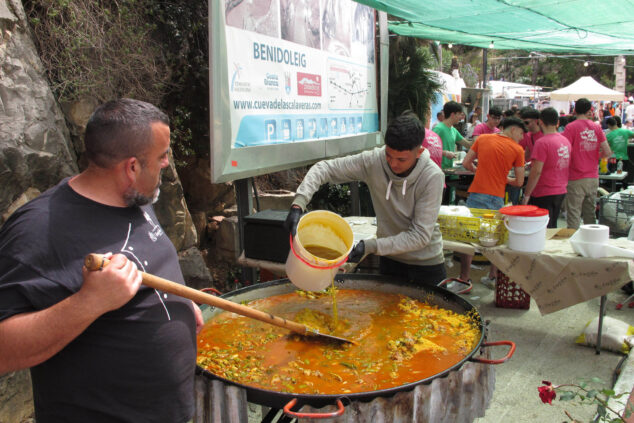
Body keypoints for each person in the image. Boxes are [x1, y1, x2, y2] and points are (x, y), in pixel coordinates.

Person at [0, 99, 202, 422]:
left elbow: (149, 265)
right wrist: (89, 302)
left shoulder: (137, 199)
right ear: (132, 168)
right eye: (162, 156)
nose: (167, 164)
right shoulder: (38, 229)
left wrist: (179, 302)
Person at [284, 114, 446, 286]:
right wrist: (298, 204)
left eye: (401, 159)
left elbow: (420, 236)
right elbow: (324, 169)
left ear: (419, 152)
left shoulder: (432, 176)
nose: (393, 164)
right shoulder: (374, 161)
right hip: (390, 261)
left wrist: (371, 246)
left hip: (426, 266)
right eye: (389, 155)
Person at [461, 117, 526, 288]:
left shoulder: (482, 139)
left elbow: (466, 163)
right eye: (520, 134)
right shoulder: (518, 149)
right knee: (495, 238)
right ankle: (492, 277)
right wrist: (504, 179)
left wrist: (479, 172)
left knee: (469, 236)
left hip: (477, 193)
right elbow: (519, 182)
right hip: (497, 196)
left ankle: (463, 279)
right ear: (513, 130)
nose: (521, 138)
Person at [562, 98, 612, 229]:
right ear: (589, 110)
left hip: (575, 177)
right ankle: (592, 241)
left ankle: (572, 245)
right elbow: (607, 151)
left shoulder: (571, 127)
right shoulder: (596, 127)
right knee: (590, 212)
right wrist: (595, 155)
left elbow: (564, 149)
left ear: (574, 110)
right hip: (593, 177)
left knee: (574, 212)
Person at [521, 108, 572, 228]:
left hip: (543, 191)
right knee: (551, 225)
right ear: (557, 122)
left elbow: (536, 171)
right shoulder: (565, 141)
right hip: (560, 190)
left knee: (539, 228)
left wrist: (527, 194)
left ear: (540, 122)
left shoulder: (542, 143)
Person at [606, 117, 634, 184]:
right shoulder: (625, 132)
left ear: (609, 125)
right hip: (625, 158)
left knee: (614, 179)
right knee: (624, 178)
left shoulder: (609, 135)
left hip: (613, 160)